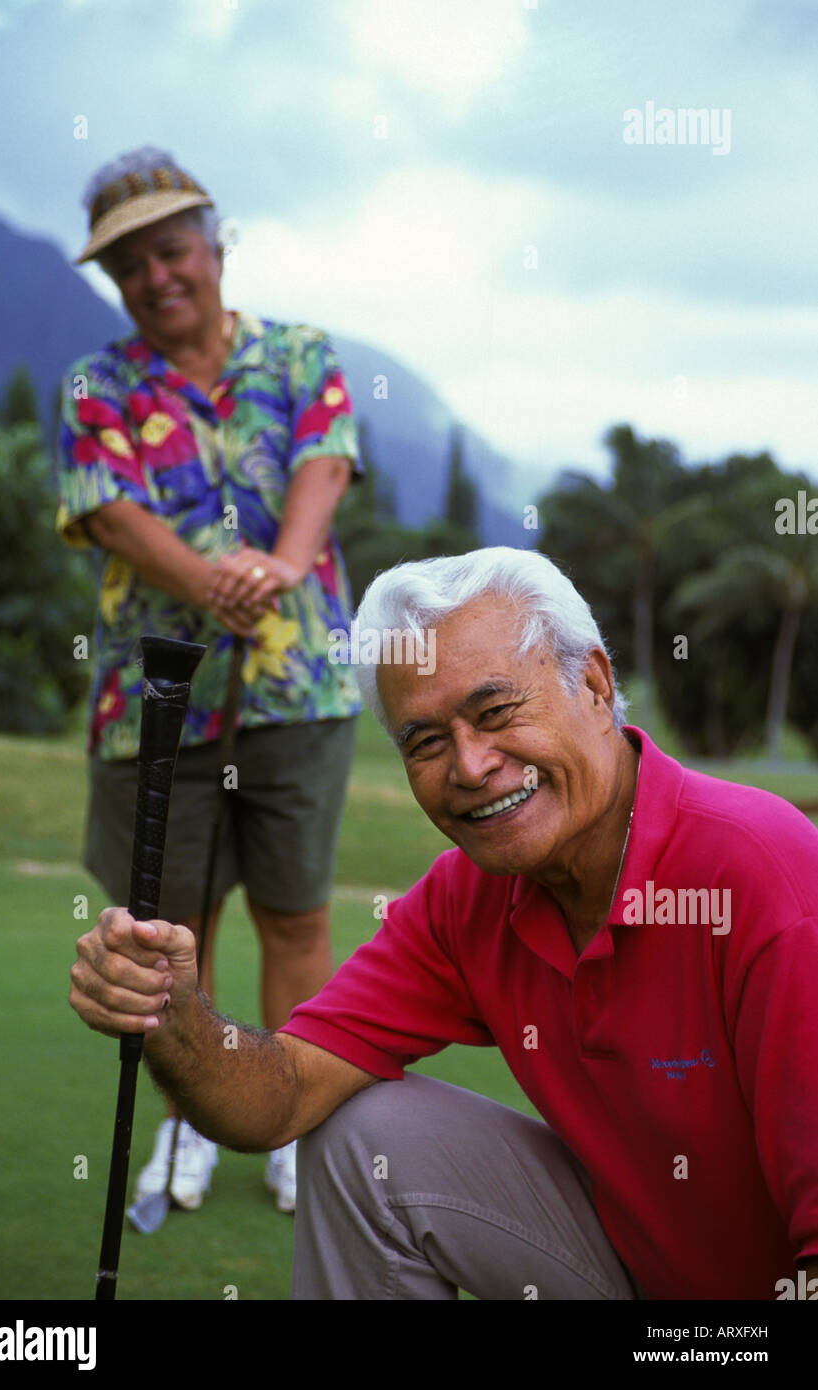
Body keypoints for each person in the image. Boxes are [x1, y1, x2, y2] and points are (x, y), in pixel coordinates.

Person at [69, 547, 818, 1299]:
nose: (468, 765)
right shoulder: (465, 898)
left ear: (592, 686)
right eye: (425, 742)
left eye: (495, 712)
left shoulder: (764, 871)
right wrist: (171, 1011)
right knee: (365, 1137)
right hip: (637, 1276)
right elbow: (282, 1093)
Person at [56, 146, 362, 1215]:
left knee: (297, 918)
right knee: (167, 926)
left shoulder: (299, 353)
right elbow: (110, 510)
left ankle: (289, 1122)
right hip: (157, 698)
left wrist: (278, 566)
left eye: (172, 249)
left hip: (297, 695)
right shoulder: (97, 384)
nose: (157, 276)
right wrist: (220, 586)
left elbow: (326, 461)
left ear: (214, 245)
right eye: (130, 264)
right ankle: (188, 1127)